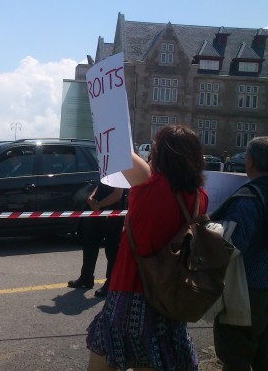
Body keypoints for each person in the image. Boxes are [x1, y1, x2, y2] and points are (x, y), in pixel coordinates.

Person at [86, 125, 207, 371]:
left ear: (160, 153)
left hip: (129, 291)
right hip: (167, 297)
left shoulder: (149, 182)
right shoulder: (199, 198)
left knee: (104, 360)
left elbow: (114, 143)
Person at [210, 136, 268, 370]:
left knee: (236, 357)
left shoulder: (250, 198)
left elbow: (231, 244)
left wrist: (209, 227)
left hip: (248, 292)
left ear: (250, 161)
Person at [68, 182, 125, 297]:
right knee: (90, 242)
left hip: (113, 210)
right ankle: (86, 277)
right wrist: (91, 197)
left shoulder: (120, 166)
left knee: (112, 248)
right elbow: (101, 185)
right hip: (98, 209)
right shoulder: (105, 165)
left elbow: (118, 193)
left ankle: (111, 283)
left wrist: (99, 204)